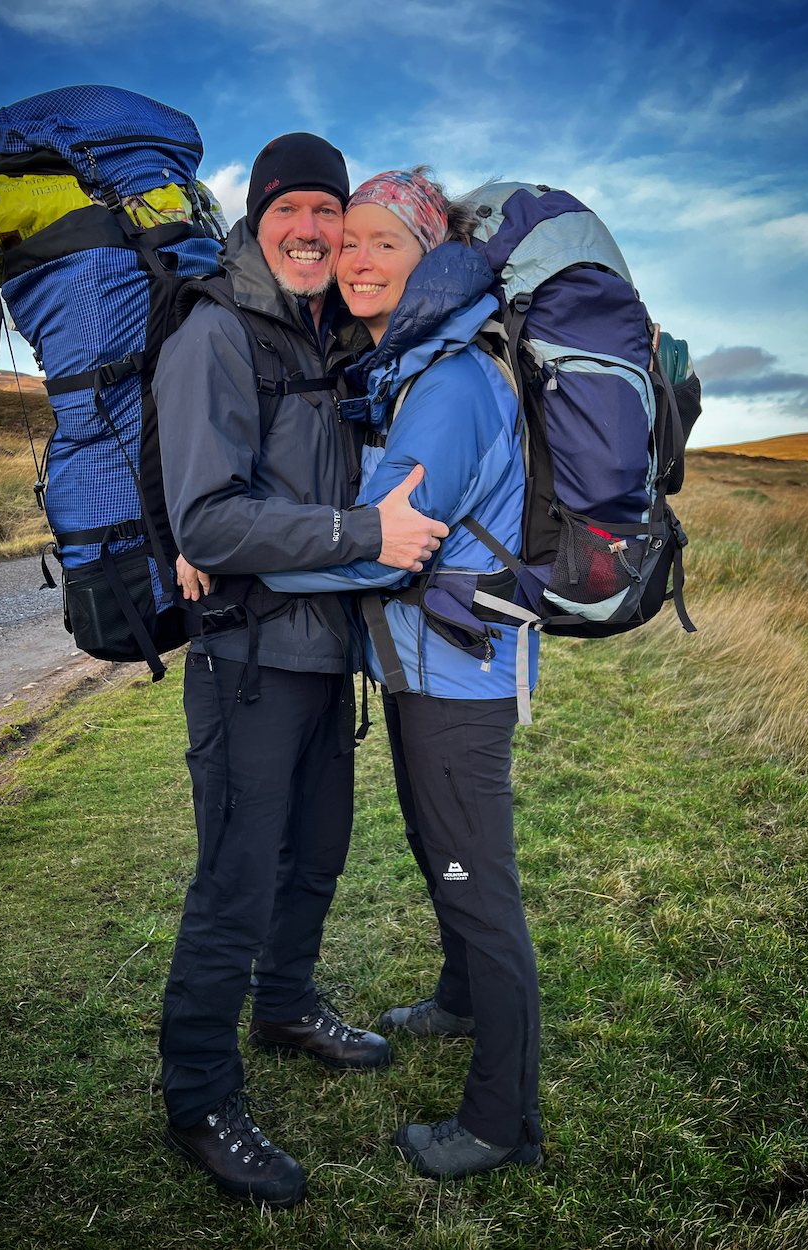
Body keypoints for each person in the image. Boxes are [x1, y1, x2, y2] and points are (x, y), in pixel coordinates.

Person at [153, 135, 449, 1209]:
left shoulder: (322, 335)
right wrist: (360, 528)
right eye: (294, 209)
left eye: (331, 209)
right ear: (257, 213)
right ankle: (198, 1094)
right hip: (246, 656)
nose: (315, 229)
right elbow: (210, 517)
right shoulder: (218, 333)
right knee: (236, 877)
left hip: (324, 650)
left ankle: (283, 1004)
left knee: (315, 851)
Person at [261, 169, 544, 1180]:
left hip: (457, 679)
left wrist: (242, 550)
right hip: (429, 662)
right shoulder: (413, 366)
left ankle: (502, 1121)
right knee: (440, 854)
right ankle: (460, 1000)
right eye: (351, 243)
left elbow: (385, 545)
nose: (359, 259)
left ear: (431, 257)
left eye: (386, 240)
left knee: (478, 887)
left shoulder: (450, 383)